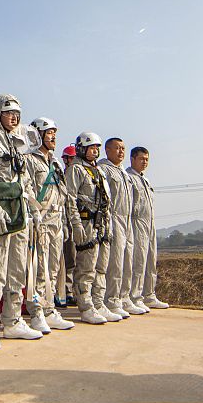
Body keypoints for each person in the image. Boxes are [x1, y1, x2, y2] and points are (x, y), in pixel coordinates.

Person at [0, 94, 43, 344]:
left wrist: (33, 206)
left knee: (17, 270)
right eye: (8, 112)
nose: (14, 117)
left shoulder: (18, 145)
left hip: (19, 211)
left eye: (17, 113)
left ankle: (13, 319)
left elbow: (24, 178)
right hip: (0, 212)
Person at [22, 117, 76, 332]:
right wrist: (33, 215)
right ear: (38, 134)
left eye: (54, 132)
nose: (53, 136)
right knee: (38, 269)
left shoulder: (54, 162)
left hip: (56, 220)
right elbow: (27, 189)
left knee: (53, 268)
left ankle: (49, 308)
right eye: (49, 132)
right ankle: (36, 312)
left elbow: (62, 191)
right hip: (40, 220)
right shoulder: (30, 160)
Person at [65, 131, 112, 324]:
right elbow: (70, 199)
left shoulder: (99, 171)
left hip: (102, 224)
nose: (95, 151)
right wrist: (76, 225)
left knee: (101, 267)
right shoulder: (75, 170)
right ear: (81, 148)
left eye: (97, 148)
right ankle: (85, 306)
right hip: (86, 223)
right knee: (86, 268)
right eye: (91, 147)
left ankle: (99, 303)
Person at [97, 137, 137, 319]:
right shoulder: (103, 169)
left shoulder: (123, 173)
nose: (121, 152)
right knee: (115, 261)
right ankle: (110, 300)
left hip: (127, 220)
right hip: (113, 218)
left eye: (123, 148)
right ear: (107, 150)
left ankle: (124, 297)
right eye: (117, 148)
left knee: (128, 260)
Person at [128, 146, 168, 310]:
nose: (144, 162)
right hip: (136, 224)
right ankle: (135, 296)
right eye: (141, 159)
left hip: (149, 223)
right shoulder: (129, 178)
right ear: (132, 159)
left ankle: (149, 294)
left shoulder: (145, 179)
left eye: (146, 159)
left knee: (151, 260)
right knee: (138, 261)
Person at [58, 144, 78, 307]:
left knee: (80, 258)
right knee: (68, 257)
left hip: (79, 220)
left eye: (71, 158)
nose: (69, 161)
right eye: (67, 158)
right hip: (65, 220)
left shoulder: (80, 173)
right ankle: (67, 291)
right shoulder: (61, 174)